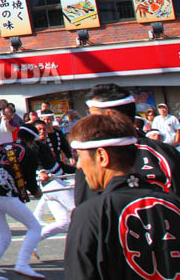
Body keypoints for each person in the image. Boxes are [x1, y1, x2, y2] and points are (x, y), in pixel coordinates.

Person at [64, 112, 180, 279]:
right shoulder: (174, 202)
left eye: (80, 156)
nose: (80, 166)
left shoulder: (90, 213)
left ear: (102, 156)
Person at [77, 83, 180, 205]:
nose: (89, 122)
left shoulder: (92, 155)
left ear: (110, 116)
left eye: (93, 116)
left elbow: (86, 210)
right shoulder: (165, 151)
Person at [0, 123, 44, 280]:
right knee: (34, 227)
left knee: (4, 236)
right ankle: (22, 263)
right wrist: (36, 192)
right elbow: (30, 180)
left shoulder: (1, 148)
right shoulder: (29, 153)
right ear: (31, 140)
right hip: (6, 196)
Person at [31, 119, 75, 242]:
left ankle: (32, 241)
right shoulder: (34, 145)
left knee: (63, 222)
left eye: (44, 129)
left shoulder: (44, 145)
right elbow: (36, 162)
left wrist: (78, 171)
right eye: (39, 129)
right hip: (51, 184)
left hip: (53, 185)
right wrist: (41, 171)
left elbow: (59, 164)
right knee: (78, 209)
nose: (42, 132)